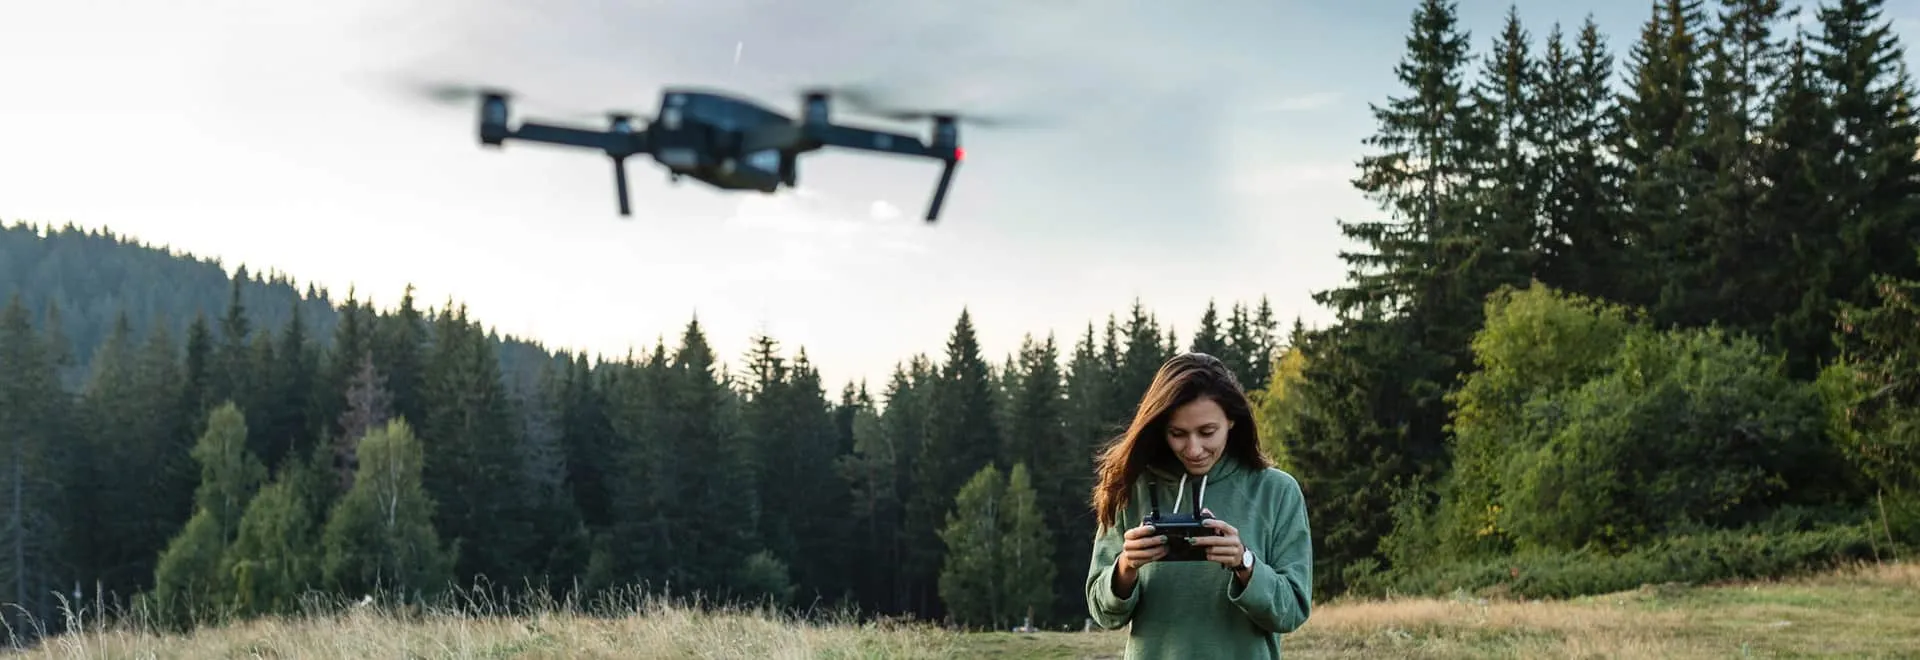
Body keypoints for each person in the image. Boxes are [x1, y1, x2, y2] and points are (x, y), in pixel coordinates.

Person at [1084, 352, 1312, 658]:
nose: (1193, 449)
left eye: (1207, 432)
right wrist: (1126, 566)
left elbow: (1292, 611)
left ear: (1232, 420)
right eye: (1178, 434)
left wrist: (1244, 563)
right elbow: (1103, 612)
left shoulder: (1276, 491)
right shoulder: (1131, 487)